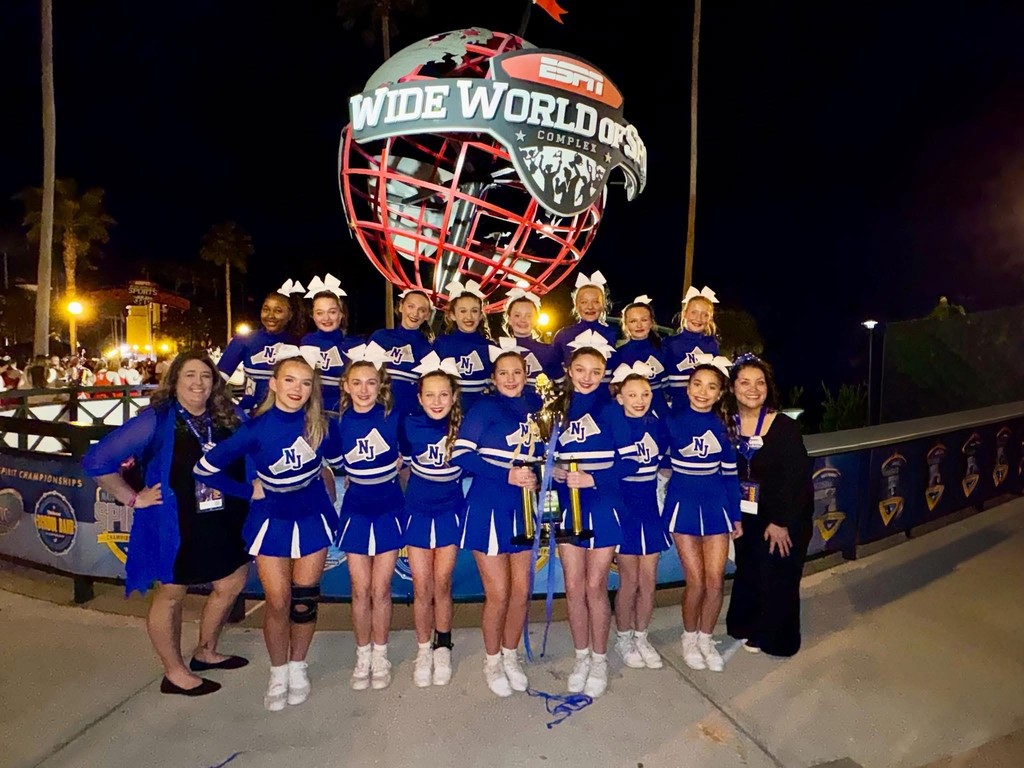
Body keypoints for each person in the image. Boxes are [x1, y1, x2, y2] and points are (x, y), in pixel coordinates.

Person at [83, 350, 251, 698]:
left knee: (232, 580)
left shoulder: (227, 415)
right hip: (176, 521)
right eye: (190, 375)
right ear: (174, 380)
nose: (198, 383)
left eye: (205, 376)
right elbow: (98, 459)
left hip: (223, 517)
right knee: (172, 594)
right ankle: (174, 671)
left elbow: (260, 444)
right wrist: (132, 497)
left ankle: (206, 650)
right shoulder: (157, 420)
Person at [195, 347, 343, 711]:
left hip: (311, 516)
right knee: (277, 602)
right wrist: (247, 490)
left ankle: (298, 666)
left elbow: (342, 460)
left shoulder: (322, 424)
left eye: (306, 383)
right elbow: (203, 469)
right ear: (274, 384)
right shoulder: (254, 429)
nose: (297, 389)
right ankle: (278, 671)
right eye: (289, 380)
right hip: (271, 519)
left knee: (305, 601)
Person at [451, 350, 540, 697]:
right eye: (503, 373)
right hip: (488, 508)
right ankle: (491, 661)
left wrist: (532, 476)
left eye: (516, 372)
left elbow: (540, 456)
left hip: (522, 508)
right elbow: (462, 455)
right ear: (493, 377)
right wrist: (508, 474)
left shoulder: (536, 407)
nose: (510, 378)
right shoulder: (484, 409)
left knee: (521, 591)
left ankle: (510, 654)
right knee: (499, 594)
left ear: (526, 373)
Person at [551, 338, 633, 698]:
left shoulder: (613, 410)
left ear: (605, 374)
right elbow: (546, 452)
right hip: (569, 505)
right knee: (573, 586)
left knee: (594, 586)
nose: (587, 378)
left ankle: (600, 658)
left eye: (596, 372)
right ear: (569, 370)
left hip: (604, 505)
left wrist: (593, 478)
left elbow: (630, 461)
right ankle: (581, 656)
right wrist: (552, 468)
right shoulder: (558, 408)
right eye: (581, 370)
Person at [724, 354, 813, 657]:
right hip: (746, 516)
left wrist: (780, 521)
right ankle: (747, 626)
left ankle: (777, 638)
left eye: (759, 382)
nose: (753, 388)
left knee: (779, 575)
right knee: (750, 571)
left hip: (783, 518)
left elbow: (796, 478)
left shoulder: (784, 426)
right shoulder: (727, 426)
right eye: (745, 382)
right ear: (732, 388)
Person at [334, 342, 406, 691]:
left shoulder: (393, 419)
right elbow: (327, 467)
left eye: (372, 382)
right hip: (356, 510)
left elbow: (406, 464)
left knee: (381, 588)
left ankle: (381, 654)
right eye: (357, 382)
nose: (364, 389)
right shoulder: (338, 423)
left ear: (381, 386)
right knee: (359, 589)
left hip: (389, 507)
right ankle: (362, 655)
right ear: (346, 385)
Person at [664, 355, 742, 672]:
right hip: (682, 506)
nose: (703, 392)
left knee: (715, 581)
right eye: (697, 384)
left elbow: (729, 476)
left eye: (711, 387)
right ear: (688, 387)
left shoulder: (725, 426)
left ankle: (706, 638)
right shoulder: (671, 421)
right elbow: (655, 460)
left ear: (721, 392)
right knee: (695, 582)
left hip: (716, 508)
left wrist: (735, 516)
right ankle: (689, 636)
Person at [400, 352, 465, 687]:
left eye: (444, 394)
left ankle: (443, 644)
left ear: (454, 396)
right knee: (421, 585)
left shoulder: (465, 425)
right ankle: (423, 647)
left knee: (442, 583)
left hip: (451, 511)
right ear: (419, 397)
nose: (437, 401)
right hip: (417, 512)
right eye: (430, 394)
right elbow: (401, 465)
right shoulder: (410, 424)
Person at [610, 362, 671, 671]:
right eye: (631, 394)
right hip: (624, 508)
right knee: (629, 581)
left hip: (649, 506)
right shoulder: (614, 425)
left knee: (649, 581)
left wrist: (663, 481)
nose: (639, 399)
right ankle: (623, 637)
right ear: (619, 397)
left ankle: (641, 635)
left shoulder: (657, 424)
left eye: (645, 393)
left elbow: (667, 459)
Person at [217, 283, 306, 412]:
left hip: (285, 416)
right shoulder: (243, 340)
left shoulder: (300, 345)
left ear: (290, 315)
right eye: (266, 309)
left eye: (278, 311)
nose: (270, 315)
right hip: (249, 415)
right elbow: (217, 381)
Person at [368, 288, 434, 417]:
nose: (415, 313)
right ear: (401, 307)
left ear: (427, 315)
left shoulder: (428, 348)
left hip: (409, 413)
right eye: (411, 306)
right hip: (378, 410)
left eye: (422, 310)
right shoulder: (380, 337)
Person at [300, 275, 361, 414]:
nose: (326, 318)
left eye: (332, 312)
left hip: (346, 414)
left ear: (341, 314)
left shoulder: (356, 345)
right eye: (320, 313)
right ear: (313, 315)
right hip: (312, 414)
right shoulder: (307, 342)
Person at [432, 278, 494, 412]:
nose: (469, 316)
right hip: (449, 414)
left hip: (482, 414)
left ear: (481, 315)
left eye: (474, 311)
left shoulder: (490, 347)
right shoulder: (441, 344)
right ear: (452, 315)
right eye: (462, 311)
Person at [551, 271, 618, 377]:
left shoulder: (612, 333)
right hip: (572, 392)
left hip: (604, 393)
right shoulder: (563, 335)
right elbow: (554, 368)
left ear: (603, 304)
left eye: (596, 302)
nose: (590, 307)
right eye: (584, 302)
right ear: (576, 305)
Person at [664, 285, 720, 408]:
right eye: (694, 312)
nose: (698, 318)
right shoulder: (670, 344)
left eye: (704, 314)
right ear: (685, 314)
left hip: (705, 408)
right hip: (677, 408)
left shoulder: (712, 345)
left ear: (710, 318)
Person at [499, 287, 560, 395]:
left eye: (529, 315)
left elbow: (561, 387)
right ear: (509, 319)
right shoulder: (498, 349)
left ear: (536, 319)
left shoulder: (548, 351)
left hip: (537, 409)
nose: (523, 320)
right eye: (517, 315)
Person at [616, 295, 670, 415]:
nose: (639, 325)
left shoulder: (664, 350)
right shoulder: (618, 354)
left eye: (644, 320)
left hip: (660, 413)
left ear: (651, 322)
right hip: (630, 413)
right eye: (633, 321)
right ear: (625, 324)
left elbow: (668, 388)